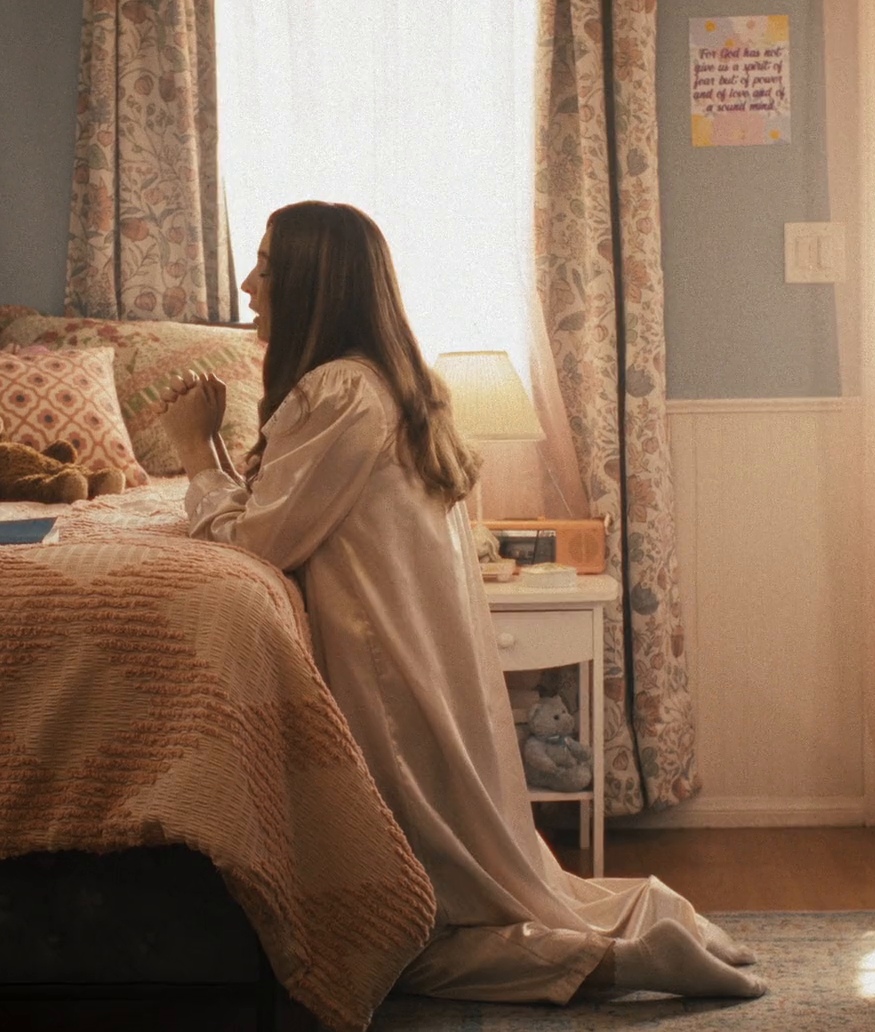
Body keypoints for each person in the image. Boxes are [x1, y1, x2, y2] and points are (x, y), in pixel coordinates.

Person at [154, 200, 765, 1004]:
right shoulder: (393, 386)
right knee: (493, 882)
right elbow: (282, 511)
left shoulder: (338, 391)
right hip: (427, 676)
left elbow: (258, 544)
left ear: (310, 282)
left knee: (394, 941)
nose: (247, 286)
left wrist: (196, 453)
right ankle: (656, 913)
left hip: (384, 690)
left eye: (265, 267)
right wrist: (220, 455)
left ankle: (623, 963)